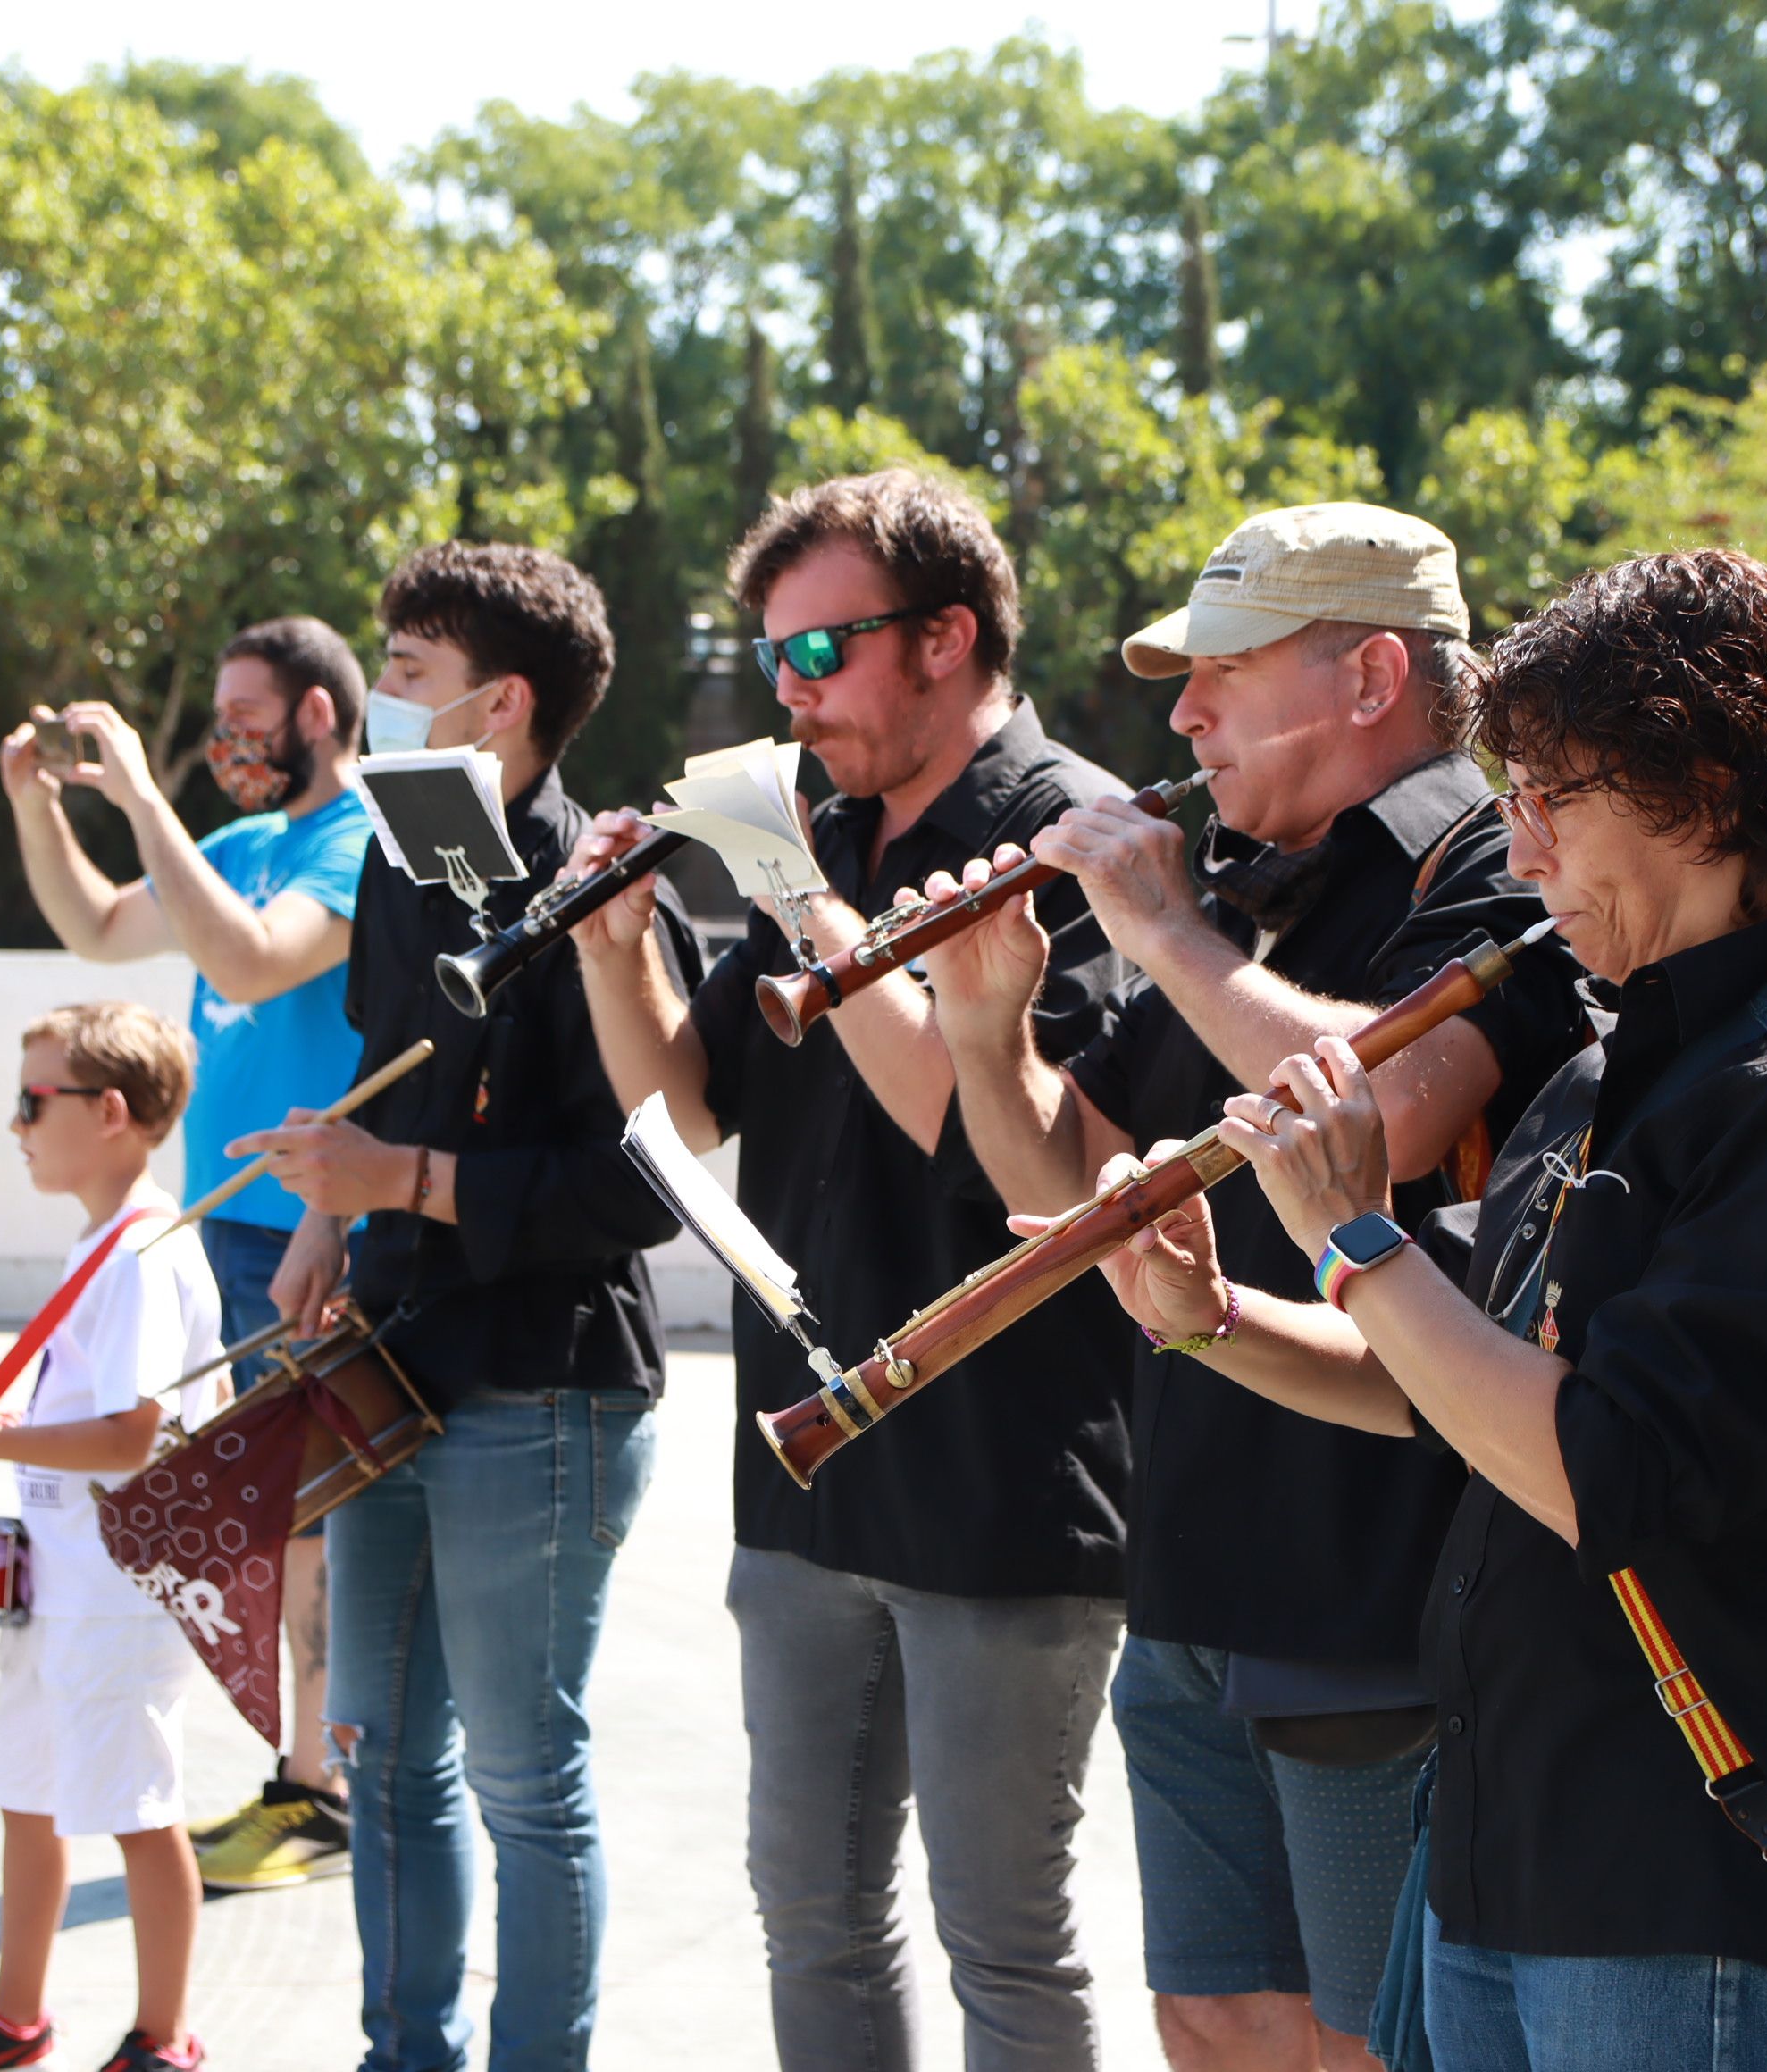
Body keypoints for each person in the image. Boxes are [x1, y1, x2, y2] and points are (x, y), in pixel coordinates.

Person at [1087, 549, 1767, 2072]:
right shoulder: (1607, 1074)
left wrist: (1347, 1236)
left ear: (1707, 791)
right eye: (1510, 802)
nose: (1519, 858)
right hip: (1497, 1856)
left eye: (1553, 802)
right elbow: (1443, 1383)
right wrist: (1214, 1321)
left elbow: (1601, 1469)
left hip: (1691, 1891)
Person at [914, 505, 1585, 2069]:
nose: (1179, 715)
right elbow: (1054, 1191)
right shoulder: (1243, 883)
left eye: (1219, 669)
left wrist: (1155, 924)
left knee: (1373, 2041)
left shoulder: (1490, 861)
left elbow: (1392, 1114)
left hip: (1377, 1586)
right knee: (1210, 2021)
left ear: (1368, 676)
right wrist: (982, 1020)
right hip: (1196, 1566)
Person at [566, 470, 1137, 2069]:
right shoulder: (821, 833)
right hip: (810, 1466)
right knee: (810, 1916)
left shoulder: (1064, 831)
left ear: (948, 638)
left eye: (820, 655)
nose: (789, 697)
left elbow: (972, 1131)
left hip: (1001, 1471)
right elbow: (683, 1112)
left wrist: (794, 890)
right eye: (772, 665)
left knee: (1003, 1944)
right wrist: (622, 957)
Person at [226, 541, 702, 2072]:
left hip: (543, 1386)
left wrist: (401, 1188)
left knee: (521, 1781)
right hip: (390, 1364)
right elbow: (381, 1062)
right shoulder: (393, 854)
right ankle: (401, 2052)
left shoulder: (611, 886)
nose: (378, 708)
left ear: (501, 705)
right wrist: (320, 1223)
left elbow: (645, 1188)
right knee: (379, 1757)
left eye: (410, 678)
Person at [3, 617, 369, 1889]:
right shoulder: (241, 845)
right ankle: (310, 1778)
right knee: (262, 1520)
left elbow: (253, 964)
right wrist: (35, 806)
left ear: (320, 713)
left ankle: (320, 1795)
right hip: (226, 1228)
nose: (225, 741)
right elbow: (102, 925)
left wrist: (147, 794)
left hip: (317, 1235)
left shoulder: (354, 839)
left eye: (246, 713)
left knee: (313, 1525)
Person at [0, 1000, 227, 2072]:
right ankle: (15, 2018)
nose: (16, 1122)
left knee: (134, 1804)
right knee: (26, 1790)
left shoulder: (142, 1251)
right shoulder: (108, 1243)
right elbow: (107, 1414)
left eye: (33, 1099)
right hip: (66, 1576)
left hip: (118, 1588)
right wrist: (12, 1434)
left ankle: (165, 2041)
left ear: (107, 1111)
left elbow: (135, 1432)